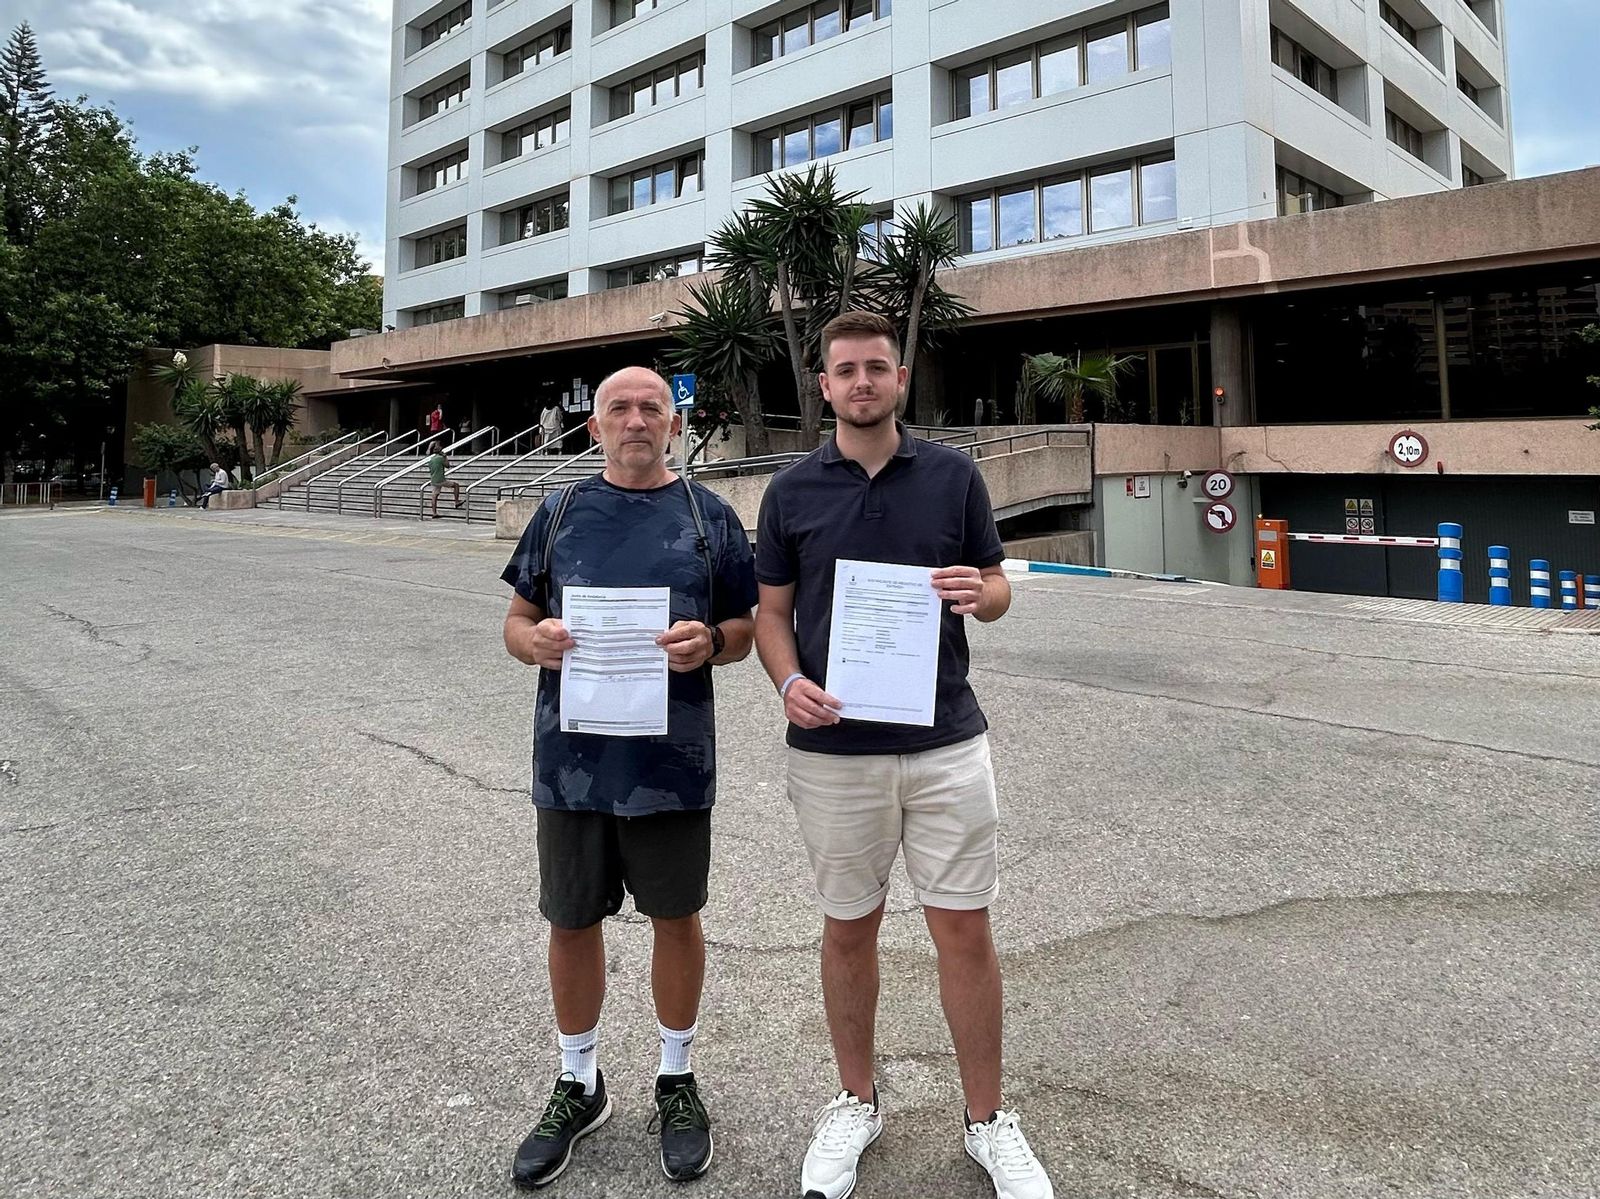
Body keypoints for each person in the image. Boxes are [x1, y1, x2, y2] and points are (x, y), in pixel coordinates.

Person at [754, 312, 1054, 1199]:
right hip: (832, 746)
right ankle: (856, 1101)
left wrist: (983, 593)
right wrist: (784, 683)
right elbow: (772, 613)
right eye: (844, 370)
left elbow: (995, 585)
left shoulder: (955, 476)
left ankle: (988, 1119)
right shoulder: (791, 491)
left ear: (901, 375)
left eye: (875, 368)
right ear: (824, 384)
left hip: (945, 740)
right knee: (849, 927)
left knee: (964, 927)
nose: (860, 382)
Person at [499, 366, 758, 1190]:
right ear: (595, 427)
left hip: (670, 766)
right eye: (620, 408)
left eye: (653, 407)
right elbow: (515, 617)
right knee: (571, 920)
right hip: (572, 766)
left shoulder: (708, 516)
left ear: (674, 426)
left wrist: (710, 643)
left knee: (675, 917)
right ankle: (579, 1081)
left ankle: (676, 1077)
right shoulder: (561, 510)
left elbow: (747, 627)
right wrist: (530, 642)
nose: (638, 419)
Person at [424, 441, 462, 518]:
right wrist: (445, 457)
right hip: (441, 479)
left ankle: (434, 513)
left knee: (434, 496)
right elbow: (447, 465)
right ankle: (456, 501)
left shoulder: (431, 460)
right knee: (456, 485)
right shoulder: (440, 458)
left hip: (434, 479)